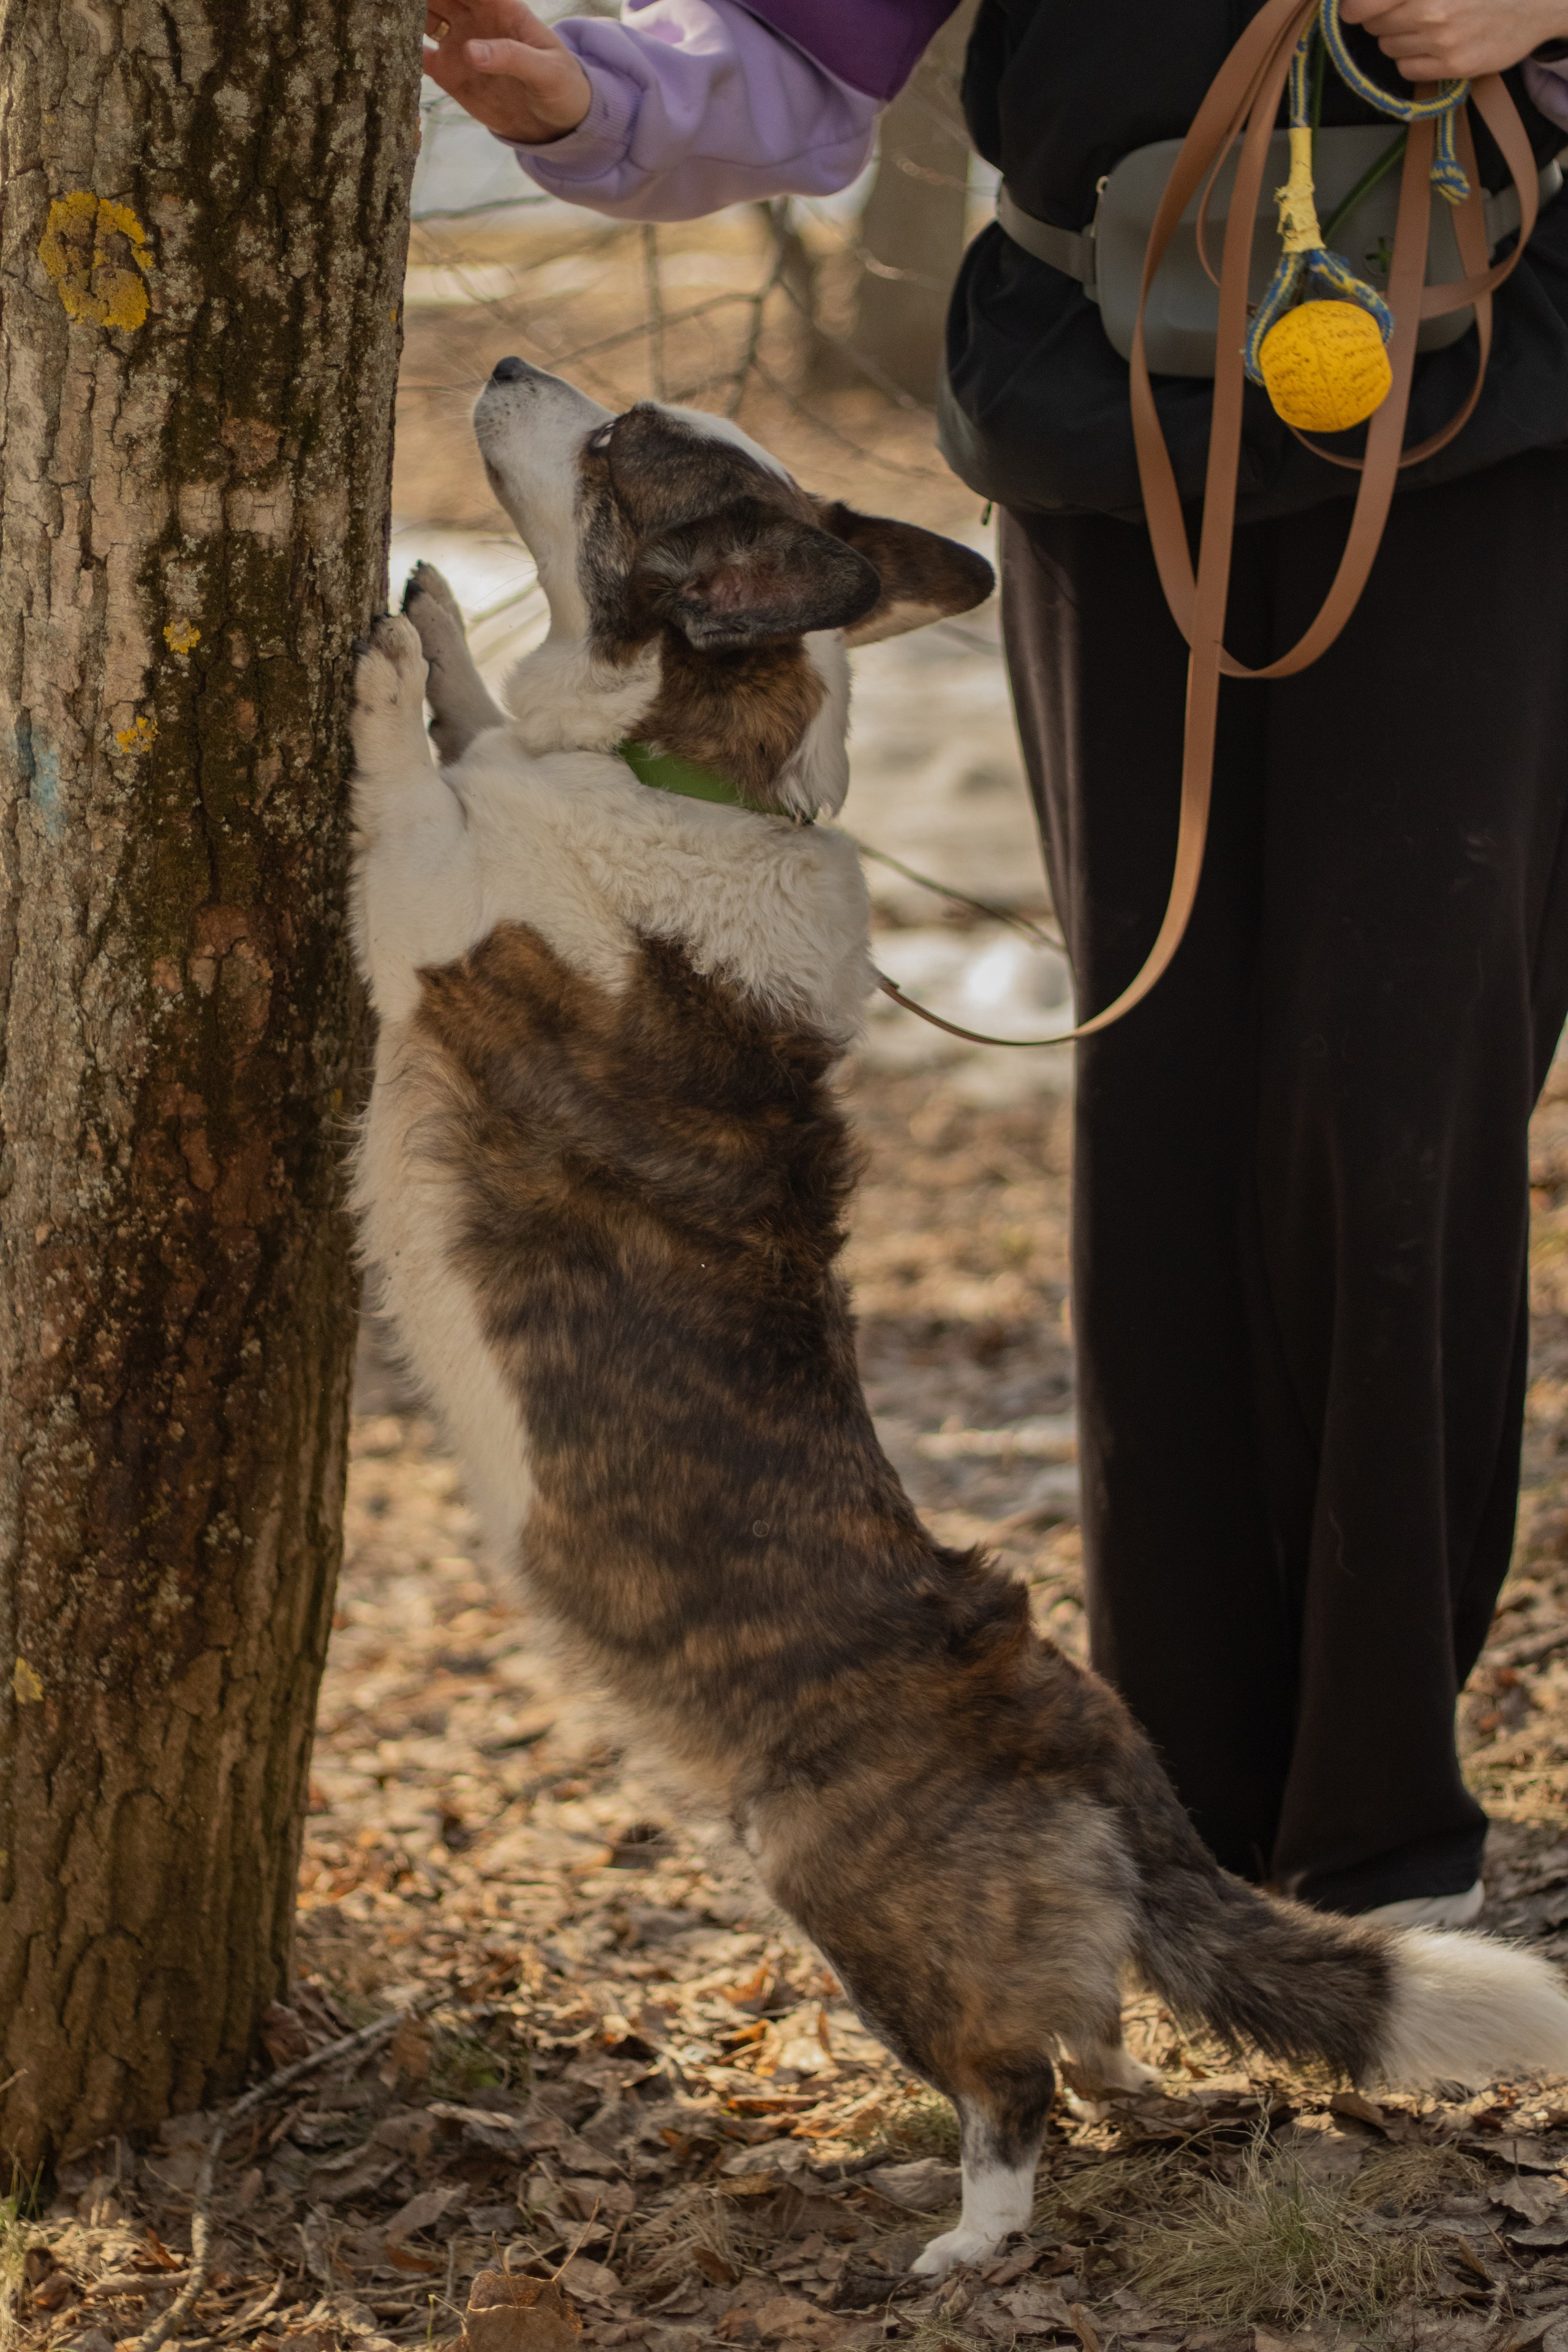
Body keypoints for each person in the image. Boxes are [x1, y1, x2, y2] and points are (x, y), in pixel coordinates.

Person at [421, 0, 1568, 1926]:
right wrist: (585, 92)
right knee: (1167, 1083)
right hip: (1107, 410)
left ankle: (1378, 1812)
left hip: (1492, 399)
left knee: (1397, 1099)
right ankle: (1183, 1796)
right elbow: (803, 54)